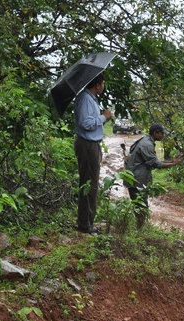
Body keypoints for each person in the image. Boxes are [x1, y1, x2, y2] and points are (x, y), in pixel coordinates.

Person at [74, 73, 112, 234]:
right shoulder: (84, 99)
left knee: (91, 183)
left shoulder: (91, 99)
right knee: (90, 184)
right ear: (97, 85)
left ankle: (87, 221)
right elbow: (85, 123)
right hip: (87, 145)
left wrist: (101, 116)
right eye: (102, 83)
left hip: (91, 145)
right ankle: (85, 223)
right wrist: (103, 117)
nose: (103, 86)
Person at [125, 123, 182, 226]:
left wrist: (172, 161)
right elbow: (155, 163)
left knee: (139, 205)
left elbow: (153, 160)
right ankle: (140, 230)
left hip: (135, 178)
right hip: (137, 180)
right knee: (140, 206)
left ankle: (140, 228)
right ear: (156, 133)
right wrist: (174, 164)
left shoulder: (145, 141)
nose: (163, 136)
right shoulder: (147, 144)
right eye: (162, 134)